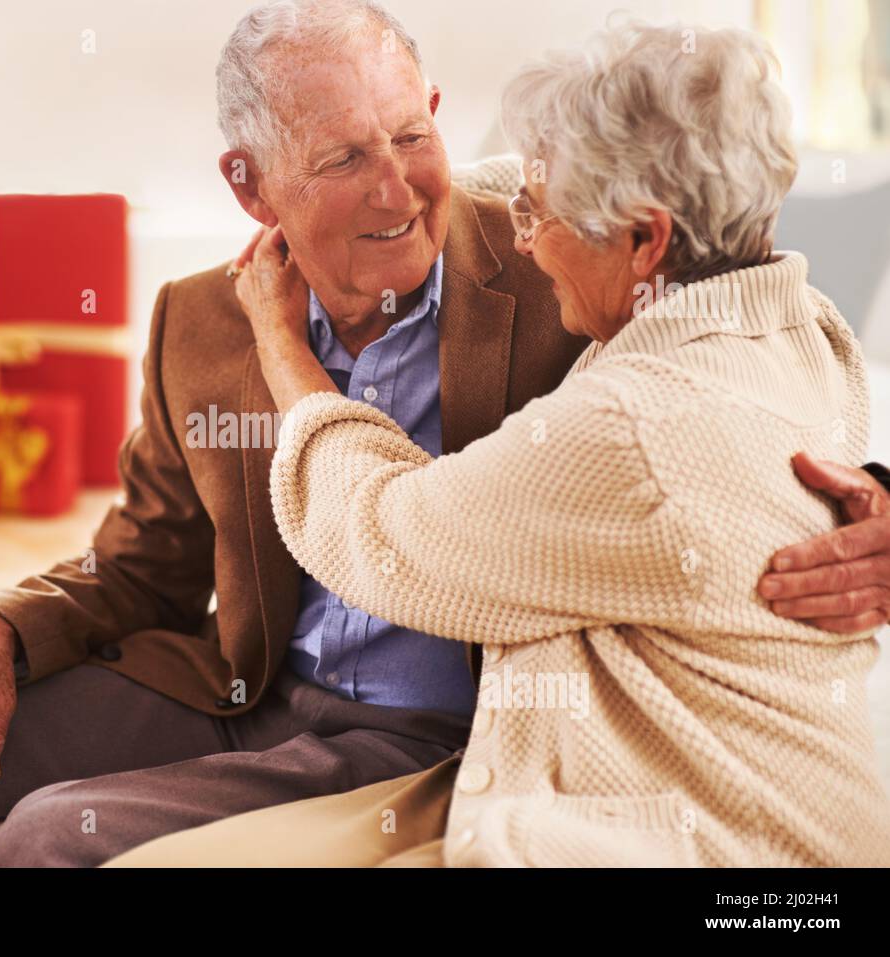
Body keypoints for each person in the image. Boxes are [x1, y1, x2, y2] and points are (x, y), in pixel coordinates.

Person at [0, 2, 890, 868]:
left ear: (436, 114)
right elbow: (141, 562)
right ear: (249, 184)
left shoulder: (560, 260)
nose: (399, 189)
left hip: (438, 729)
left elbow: (758, 319)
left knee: (60, 838)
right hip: (251, 693)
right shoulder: (201, 319)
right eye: (342, 160)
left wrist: (882, 490)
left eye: (410, 135)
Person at [107, 19, 890, 867]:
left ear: (645, 238)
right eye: (347, 156)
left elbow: (381, 531)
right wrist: (402, 176)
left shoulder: (623, 425)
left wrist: (285, 350)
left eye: (538, 211)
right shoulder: (804, 328)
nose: (517, 235)